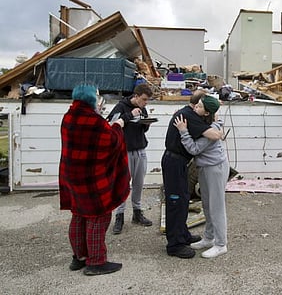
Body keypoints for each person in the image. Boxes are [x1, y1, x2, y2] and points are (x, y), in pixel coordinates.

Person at [59, 83, 130, 276]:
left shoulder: (68, 117)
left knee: (79, 214)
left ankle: (79, 257)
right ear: (91, 98)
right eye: (97, 96)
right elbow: (111, 142)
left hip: (71, 176)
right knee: (98, 216)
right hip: (92, 178)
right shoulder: (94, 121)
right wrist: (118, 125)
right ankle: (96, 262)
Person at [162, 90, 223, 259]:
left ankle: (182, 235)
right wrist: (217, 127)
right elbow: (214, 135)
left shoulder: (188, 113)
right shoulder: (189, 117)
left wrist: (215, 120)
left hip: (179, 162)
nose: (199, 107)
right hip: (174, 162)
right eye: (200, 105)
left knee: (182, 200)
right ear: (196, 105)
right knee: (175, 202)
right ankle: (175, 245)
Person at [107, 83, 154, 234]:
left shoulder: (143, 108)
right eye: (144, 99)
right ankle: (119, 216)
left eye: (147, 100)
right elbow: (111, 124)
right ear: (136, 96)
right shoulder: (121, 106)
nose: (145, 103)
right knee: (122, 184)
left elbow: (142, 128)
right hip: (124, 151)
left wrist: (145, 123)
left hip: (140, 149)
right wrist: (130, 115)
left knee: (139, 183)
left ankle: (137, 212)